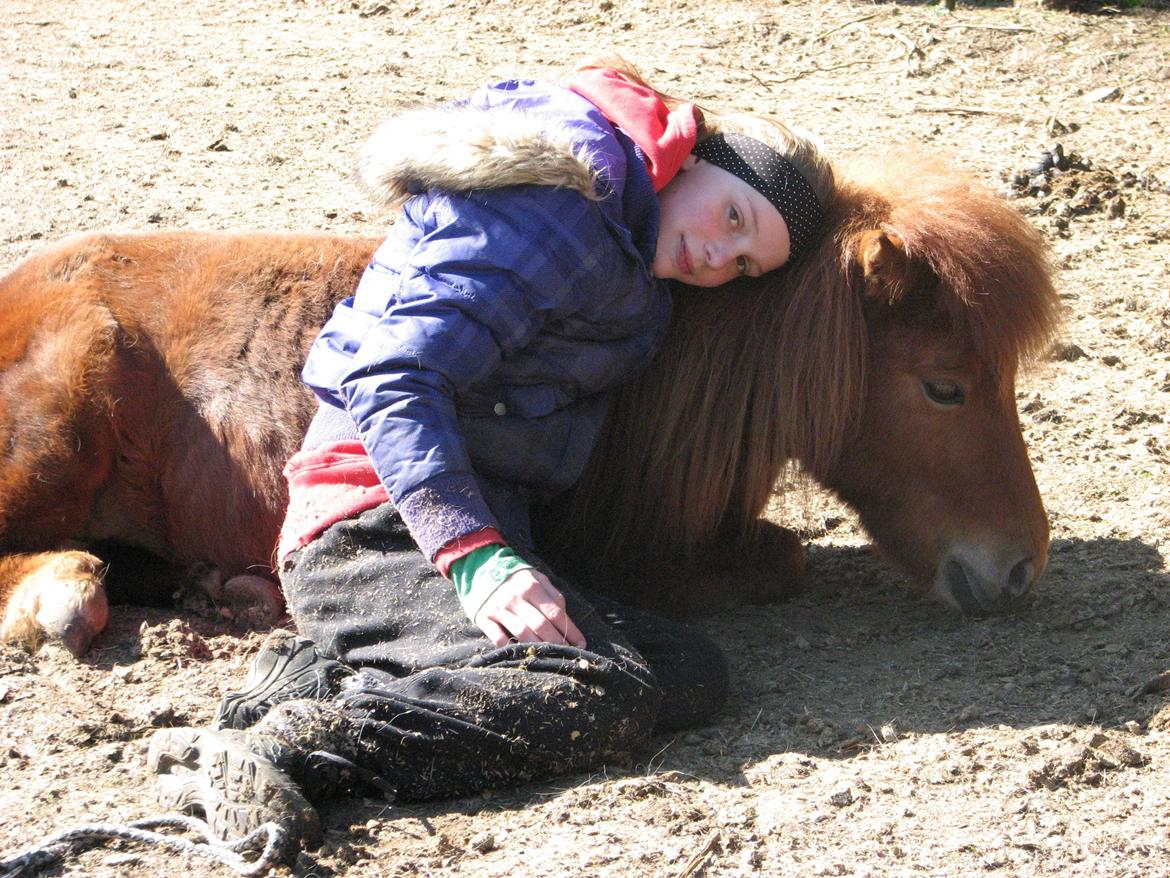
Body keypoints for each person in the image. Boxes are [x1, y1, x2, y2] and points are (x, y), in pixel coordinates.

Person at [147, 57, 835, 849]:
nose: (719, 257)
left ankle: (310, 677)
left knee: (684, 669)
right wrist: (478, 559)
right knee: (597, 695)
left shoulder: (614, 237)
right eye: (735, 219)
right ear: (695, 158)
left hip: (425, 528)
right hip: (374, 519)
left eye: (744, 265)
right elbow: (392, 372)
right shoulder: (562, 211)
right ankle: (290, 748)